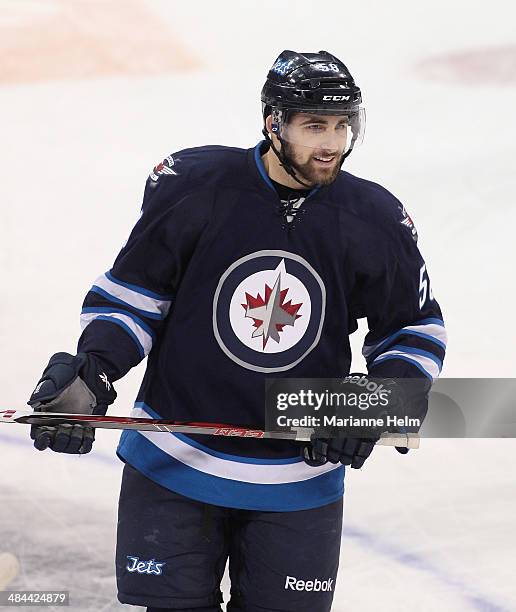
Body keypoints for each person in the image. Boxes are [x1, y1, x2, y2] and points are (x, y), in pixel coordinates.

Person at [27, 50, 447, 612]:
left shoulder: (374, 217)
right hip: (174, 462)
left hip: (298, 475)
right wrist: (95, 372)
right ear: (274, 123)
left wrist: (373, 403)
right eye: (315, 125)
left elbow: (413, 329)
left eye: (344, 124)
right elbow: (133, 298)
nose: (333, 143)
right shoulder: (196, 187)